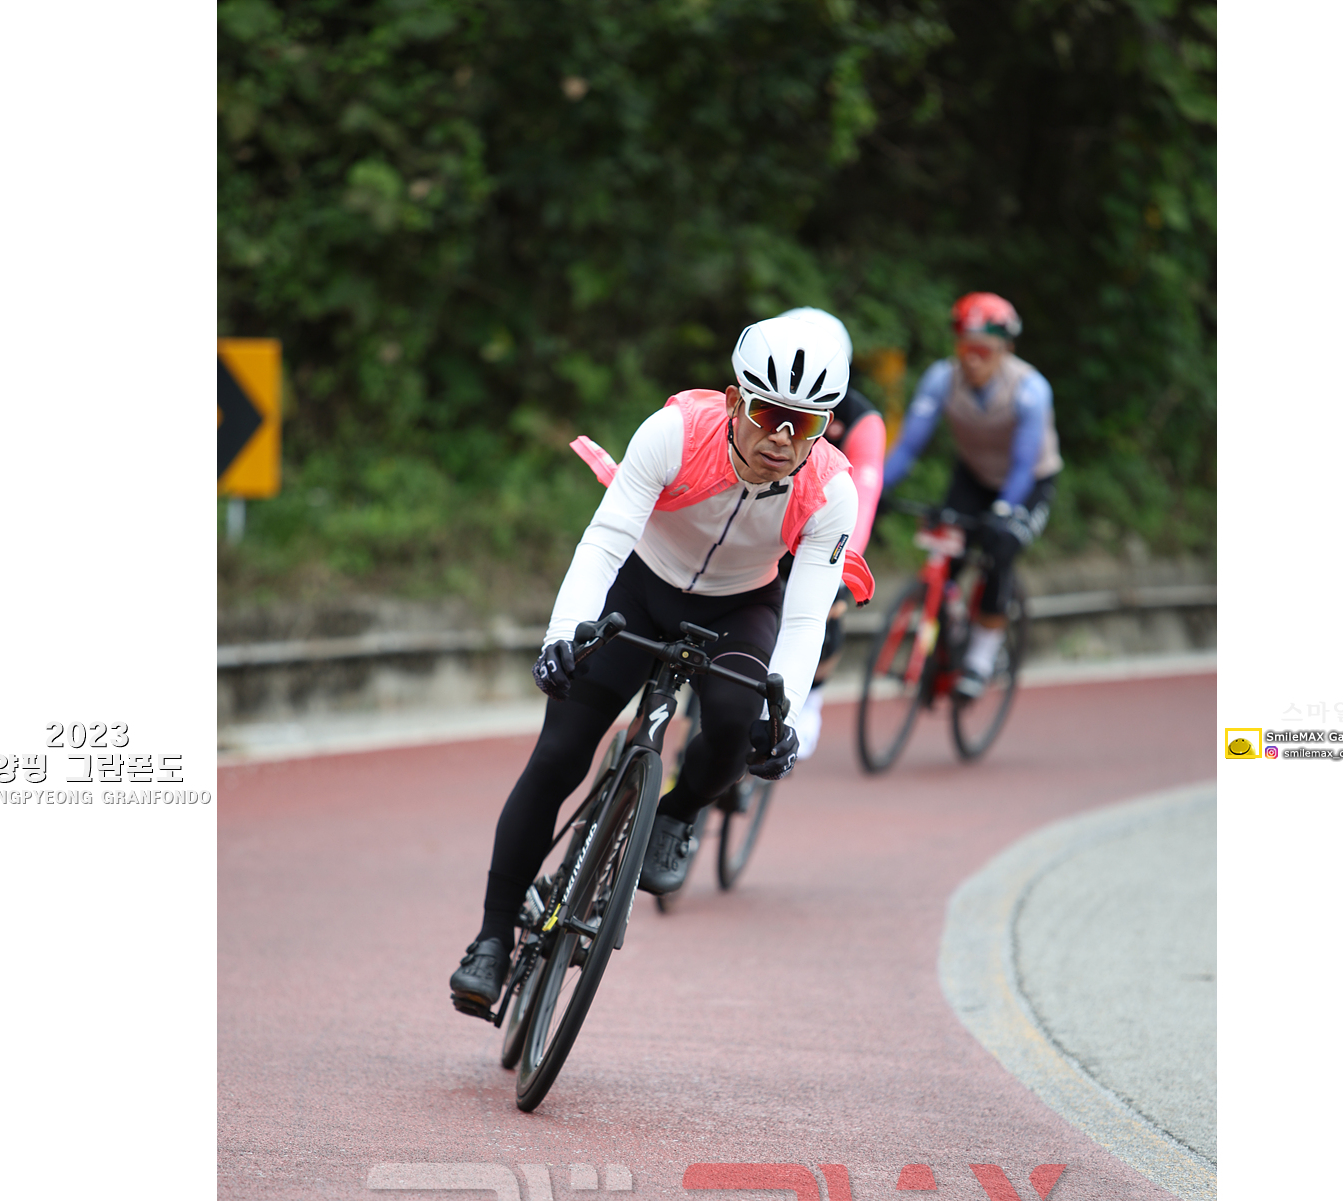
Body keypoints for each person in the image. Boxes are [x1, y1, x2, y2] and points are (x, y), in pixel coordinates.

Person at [449, 317, 874, 1014]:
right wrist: (562, 637)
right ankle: (492, 941)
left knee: (739, 723)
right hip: (640, 588)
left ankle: (677, 814)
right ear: (734, 400)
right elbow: (605, 540)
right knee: (558, 755)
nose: (781, 438)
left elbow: (803, 619)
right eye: (768, 414)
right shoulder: (675, 433)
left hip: (741, 606)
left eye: (804, 424)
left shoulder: (832, 492)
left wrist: (787, 719)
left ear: (825, 426)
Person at [880, 292, 1062, 697]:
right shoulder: (941, 379)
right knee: (947, 553)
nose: (973, 360)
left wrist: (1004, 510)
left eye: (984, 351)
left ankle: (983, 654)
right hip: (974, 476)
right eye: (966, 349)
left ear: (1006, 349)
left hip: (1027, 481)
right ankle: (948, 629)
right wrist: (874, 489)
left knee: (1000, 547)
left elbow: (1023, 465)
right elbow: (908, 447)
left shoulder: (1030, 390)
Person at [775, 308, 887, 759]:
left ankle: (813, 695)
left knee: (827, 605)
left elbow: (865, 495)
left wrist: (840, 566)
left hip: (824, 526)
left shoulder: (862, 419)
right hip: (769, 520)